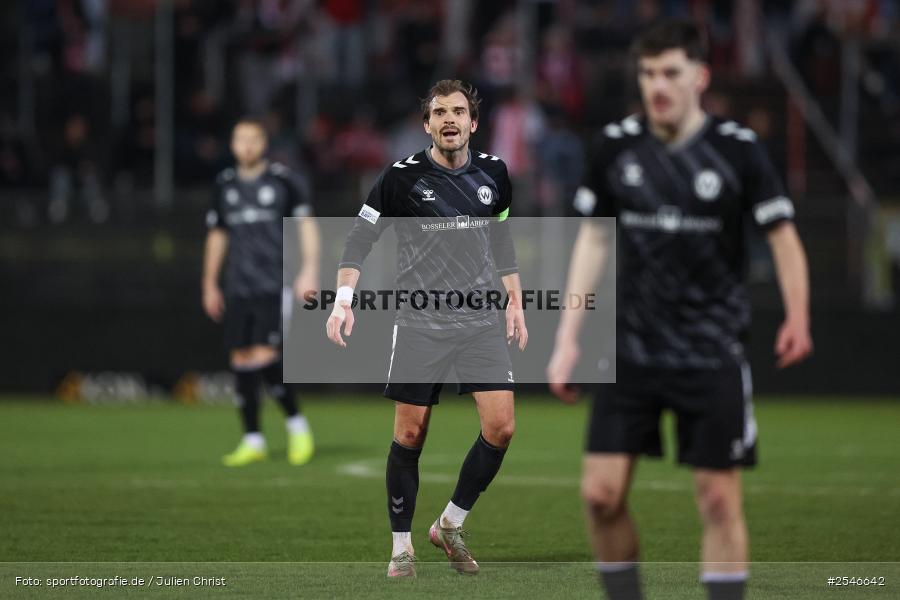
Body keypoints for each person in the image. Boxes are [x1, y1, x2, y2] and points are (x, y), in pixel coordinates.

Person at [546, 21, 813, 600]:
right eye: (647, 74)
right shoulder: (616, 146)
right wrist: (569, 338)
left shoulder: (737, 151)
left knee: (718, 500)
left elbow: (783, 236)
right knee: (599, 496)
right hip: (631, 349)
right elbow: (592, 241)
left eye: (670, 72)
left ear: (700, 76)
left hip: (710, 350)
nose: (657, 85)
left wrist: (798, 315)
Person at [325, 80, 527, 578]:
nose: (450, 119)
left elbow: (501, 241)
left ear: (474, 123)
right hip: (420, 320)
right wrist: (343, 301)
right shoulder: (400, 178)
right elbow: (359, 239)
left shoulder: (495, 173)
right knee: (411, 432)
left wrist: (516, 303)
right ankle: (401, 547)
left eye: (459, 111)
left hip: (479, 319)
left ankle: (450, 524)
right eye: (440, 112)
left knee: (501, 428)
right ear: (427, 124)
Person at [202, 118, 321, 467]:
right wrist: (209, 282)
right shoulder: (224, 185)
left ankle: (297, 426)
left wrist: (309, 270)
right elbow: (217, 235)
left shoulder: (284, 181)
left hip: (275, 283)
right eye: (241, 139)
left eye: (254, 139)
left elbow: (306, 225)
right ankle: (253, 439)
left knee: (264, 355)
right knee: (240, 358)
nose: (247, 145)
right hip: (238, 285)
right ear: (233, 144)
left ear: (264, 143)